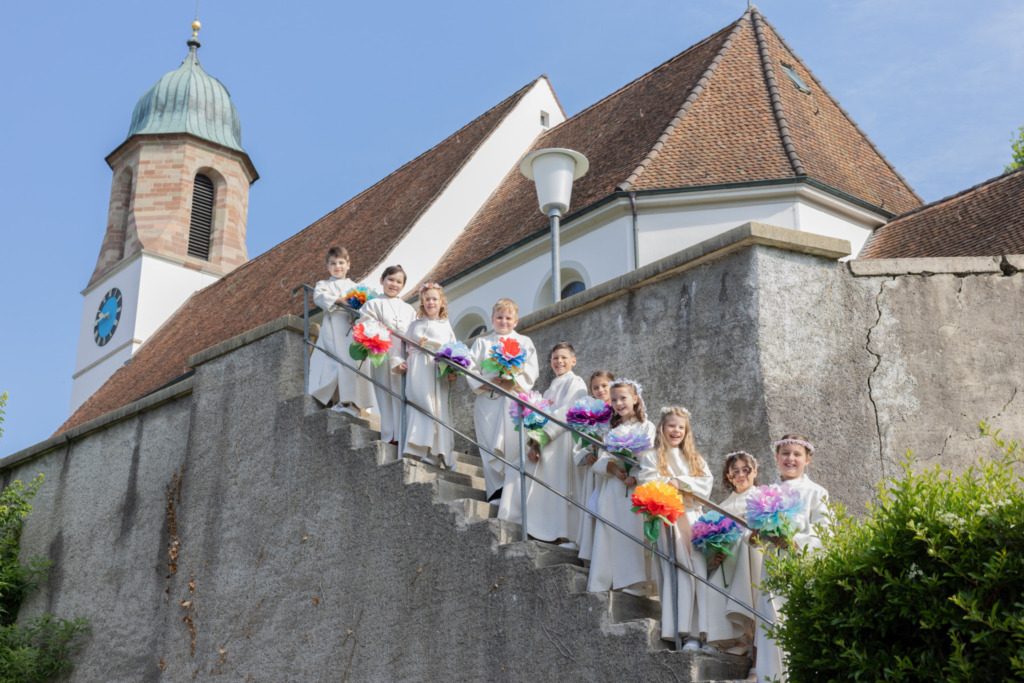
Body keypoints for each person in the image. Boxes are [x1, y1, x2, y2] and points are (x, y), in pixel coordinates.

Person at [754, 434, 830, 683]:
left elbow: (825, 533)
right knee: (771, 625)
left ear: (807, 460)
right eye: (785, 453)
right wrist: (757, 534)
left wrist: (795, 543)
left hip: (800, 568)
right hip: (772, 568)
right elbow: (753, 534)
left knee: (797, 624)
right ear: (777, 458)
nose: (791, 459)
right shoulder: (765, 493)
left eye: (797, 454)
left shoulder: (815, 492)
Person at [638, 406, 713, 648]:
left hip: (692, 518)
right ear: (662, 427)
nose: (676, 431)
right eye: (672, 426)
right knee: (678, 572)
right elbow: (647, 485)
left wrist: (679, 482)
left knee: (699, 572)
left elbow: (705, 484)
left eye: (681, 427)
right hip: (667, 521)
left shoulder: (695, 459)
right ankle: (684, 631)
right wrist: (669, 486)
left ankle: (703, 631)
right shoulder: (651, 456)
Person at [498, 342, 588, 545]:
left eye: (564, 357)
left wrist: (540, 438)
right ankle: (512, 520)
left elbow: (568, 412)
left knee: (559, 490)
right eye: (555, 358)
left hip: (559, 442)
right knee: (517, 470)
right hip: (544, 443)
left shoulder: (577, 382)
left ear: (573, 361)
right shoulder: (549, 390)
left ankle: (562, 534)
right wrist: (533, 440)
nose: (559, 361)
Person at [587, 380, 657, 595]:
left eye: (623, 398)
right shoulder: (611, 428)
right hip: (614, 487)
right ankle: (604, 580)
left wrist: (635, 476)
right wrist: (616, 471)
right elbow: (602, 459)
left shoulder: (647, 426)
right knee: (610, 531)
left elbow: (650, 458)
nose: (618, 403)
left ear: (635, 399)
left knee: (633, 532)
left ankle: (636, 582)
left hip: (634, 489)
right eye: (615, 399)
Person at [467, 299, 538, 501]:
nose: (503, 321)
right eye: (499, 317)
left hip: (512, 399)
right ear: (492, 319)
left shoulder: (524, 342)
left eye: (508, 318)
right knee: (489, 445)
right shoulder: (482, 343)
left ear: (515, 321)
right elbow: (470, 369)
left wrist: (511, 384)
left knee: (513, 443)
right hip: (487, 401)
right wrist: (489, 383)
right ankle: (495, 491)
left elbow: (531, 370)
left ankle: (513, 492)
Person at [704, 451, 763, 675]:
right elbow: (714, 538)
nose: (741, 475)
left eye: (746, 470)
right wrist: (714, 555)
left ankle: (752, 645)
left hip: (754, 556)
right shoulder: (723, 505)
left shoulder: (761, 497)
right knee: (715, 579)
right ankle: (740, 638)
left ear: (754, 471)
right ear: (728, 477)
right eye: (735, 472)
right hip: (730, 559)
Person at [309, 246, 376, 415]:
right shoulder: (323, 284)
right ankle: (339, 400)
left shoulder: (356, 286)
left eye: (341, 263)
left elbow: (366, 306)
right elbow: (319, 297)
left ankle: (354, 403)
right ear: (327, 266)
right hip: (334, 327)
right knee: (338, 363)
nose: (337, 266)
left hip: (352, 328)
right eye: (333, 263)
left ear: (348, 265)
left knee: (354, 365)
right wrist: (340, 300)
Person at [395, 283, 457, 468]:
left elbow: (455, 351)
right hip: (417, 368)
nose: (431, 302)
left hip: (437, 369)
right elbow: (401, 347)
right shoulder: (414, 325)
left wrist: (453, 371)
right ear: (422, 302)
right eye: (427, 299)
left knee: (437, 408)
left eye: (434, 299)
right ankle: (418, 447)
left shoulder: (446, 325)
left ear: (441, 303)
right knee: (420, 404)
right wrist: (399, 361)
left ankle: (438, 452)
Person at [357, 265, 416, 445]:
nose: (394, 284)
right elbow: (365, 326)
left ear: (403, 286)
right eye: (390, 280)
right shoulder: (372, 304)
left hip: (403, 353)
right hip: (382, 353)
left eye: (399, 282)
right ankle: (390, 435)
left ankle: (403, 433)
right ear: (382, 280)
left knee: (403, 392)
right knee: (386, 392)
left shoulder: (409, 309)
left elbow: (413, 331)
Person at [575, 371, 614, 558]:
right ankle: (590, 553)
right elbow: (579, 443)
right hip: (594, 469)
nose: (600, 390)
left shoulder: (618, 410)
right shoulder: (587, 413)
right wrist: (586, 455)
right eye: (595, 387)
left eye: (604, 386)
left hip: (611, 467)